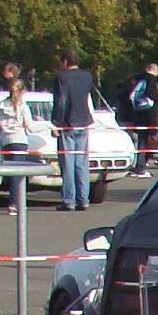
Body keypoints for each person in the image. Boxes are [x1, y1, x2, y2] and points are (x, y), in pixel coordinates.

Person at [50, 47, 99, 211]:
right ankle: (83, 199)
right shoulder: (87, 76)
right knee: (81, 163)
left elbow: (61, 101)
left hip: (68, 123)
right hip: (84, 121)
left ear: (65, 61)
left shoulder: (61, 77)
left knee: (67, 164)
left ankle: (69, 200)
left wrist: (56, 123)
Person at [0, 79, 41, 213]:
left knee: (12, 173)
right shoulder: (23, 106)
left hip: (6, 142)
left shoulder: (0, 106)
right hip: (20, 141)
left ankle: (13, 202)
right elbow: (31, 127)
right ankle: (16, 202)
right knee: (19, 174)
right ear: (22, 91)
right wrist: (49, 126)